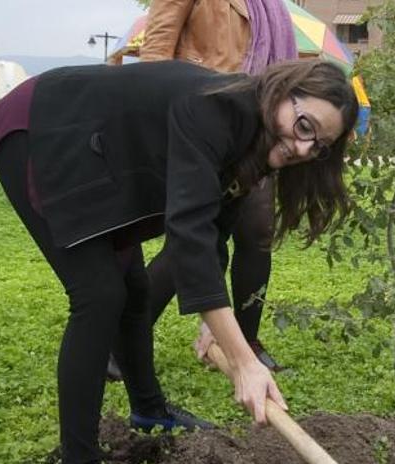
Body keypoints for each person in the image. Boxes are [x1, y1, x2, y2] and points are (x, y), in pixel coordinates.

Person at [0, 59, 358, 464]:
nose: (303, 146)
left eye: (320, 145)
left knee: (131, 288)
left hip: (106, 153)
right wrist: (244, 360)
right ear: (282, 92)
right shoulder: (216, 110)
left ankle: (148, 410)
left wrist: (215, 328)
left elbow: (211, 235)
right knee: (99, 296)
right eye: (304, 125)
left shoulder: (254, 142)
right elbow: (187, 237)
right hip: (47, 131)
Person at [115, 0, 298, 378]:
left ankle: (245, 341)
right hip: (203, 124)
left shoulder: (273, 6)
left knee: (258, 231)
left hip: (257, 126)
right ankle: (122, 342)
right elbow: (157, 49)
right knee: (193, 236)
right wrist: (153, 120)